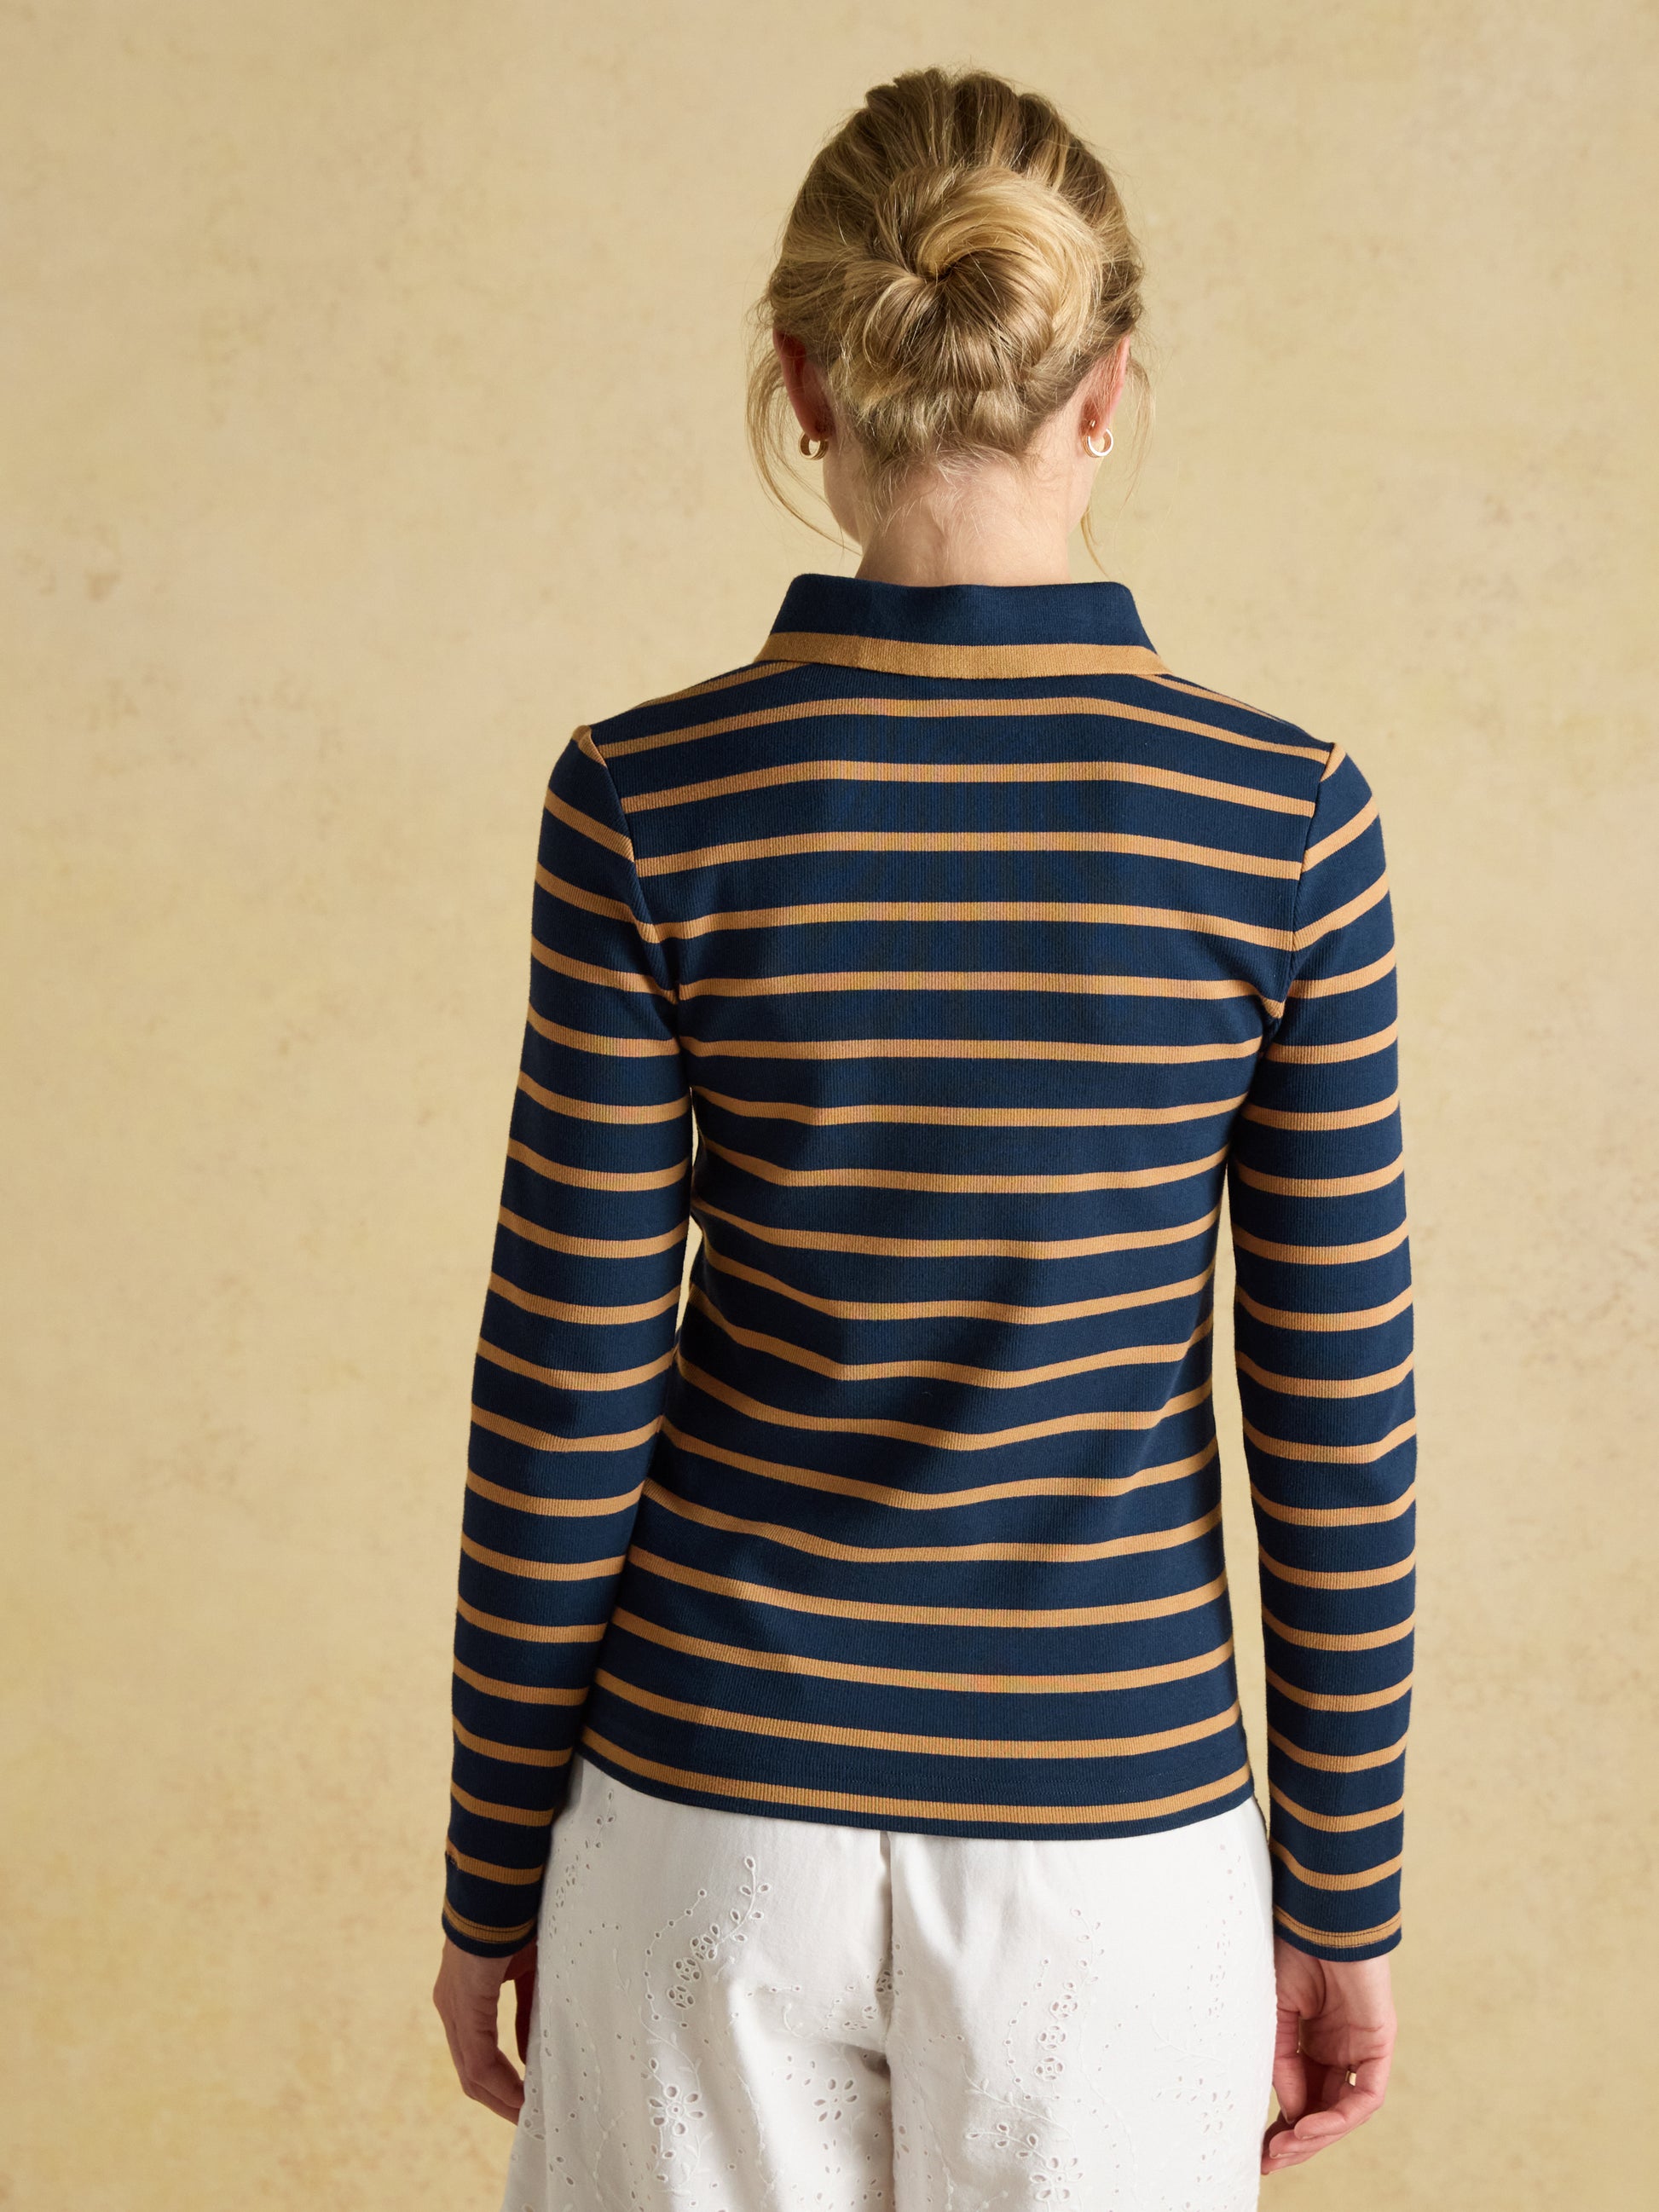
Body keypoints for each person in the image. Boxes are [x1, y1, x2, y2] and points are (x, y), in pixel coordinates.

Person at [431, 63, 1414, 2211]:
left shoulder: (644, 800)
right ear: (1105, 392)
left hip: (706, 1811)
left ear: (806, 384)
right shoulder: (1283, 821)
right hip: (1112, 1841)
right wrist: (1343, 1892)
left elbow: (569, 1382)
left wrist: (491, 1862)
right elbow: (1333, 1414)